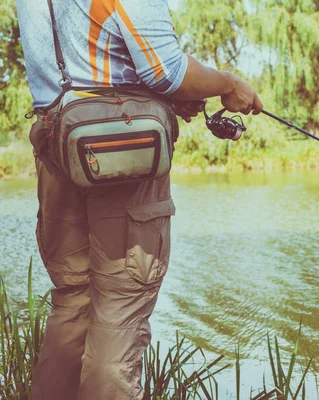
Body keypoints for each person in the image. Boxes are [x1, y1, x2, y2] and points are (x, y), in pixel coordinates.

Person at [16, 0, 263, 399]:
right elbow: (167, 71)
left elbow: (84, 65)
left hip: (54, 146)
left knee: (72, 302)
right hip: (120, 155)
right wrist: (229, 84)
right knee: (120, 310)